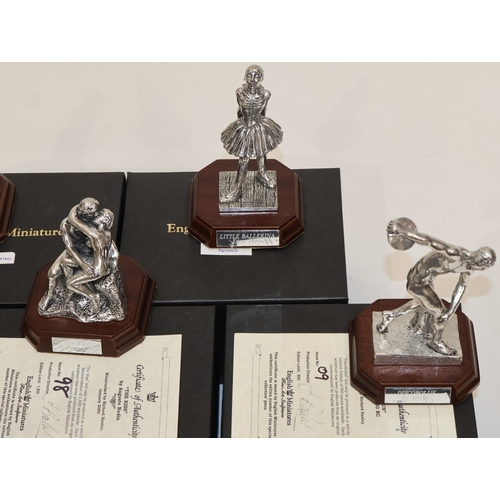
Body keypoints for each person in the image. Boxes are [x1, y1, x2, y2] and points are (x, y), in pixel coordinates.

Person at [377, 219, 496, 356]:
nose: (481, 270)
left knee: (425, 305)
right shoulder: (455, 254)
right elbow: (429, 240)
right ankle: (436, 341)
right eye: (483, 267)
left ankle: (390, 316)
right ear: (478, 259)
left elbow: (461, 287)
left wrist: (451, 312)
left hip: (427, 280)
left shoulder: (469, 268)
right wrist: (403, 231)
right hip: (417, 280)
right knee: (440, 312)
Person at [39, 198, 120, 315]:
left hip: (90, 255)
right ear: (81, 210)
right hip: (74, 251)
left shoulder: (95, 224)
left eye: (94, 212)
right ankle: (50, 295)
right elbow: (69, 247)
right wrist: (81, 263)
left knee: (67, 266)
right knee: (52, 273)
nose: (93, 215)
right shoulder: (66, 224)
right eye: (89, 212)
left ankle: (79, 292)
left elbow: (106, 244)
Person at [220, 65, 283, 203]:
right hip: (245, 125)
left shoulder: (265, 94)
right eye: (249, 75)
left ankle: (262, 173)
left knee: (261, 151)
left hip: (259, 124)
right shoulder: (239, 92)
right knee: (243, 160)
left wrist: (263, 130)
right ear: (244, 77)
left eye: (256, 76)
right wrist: (240, 131)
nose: (252, 79)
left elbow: (263, 112)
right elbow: (240, 111)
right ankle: (236, 191)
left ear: (261, 78)